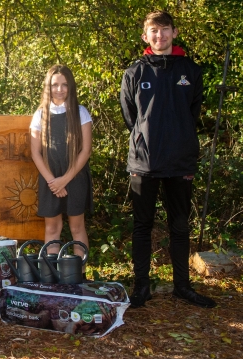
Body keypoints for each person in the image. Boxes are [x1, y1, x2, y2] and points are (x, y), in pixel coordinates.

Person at [120, 11, 216, 308]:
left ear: (174, 33)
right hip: (144, 162)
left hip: (180, 162)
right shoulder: (134, 72)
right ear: (145, 36)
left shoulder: (191, 70)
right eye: (153, 31)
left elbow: (193, 113)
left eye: (164, 30)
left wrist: (178, 137)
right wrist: (146, 137)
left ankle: (182, 287)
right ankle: (141, 287)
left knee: (180, 226)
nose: (159, 36)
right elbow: (130, 117)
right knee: (142, 226)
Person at [30, 65, 93, 262]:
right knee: (52, 227)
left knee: (76, 227)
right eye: (55, 84)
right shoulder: (41, 114)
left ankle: (79, 276)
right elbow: (35, 152)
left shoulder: (80, 112)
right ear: (48, 87)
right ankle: (51, 276)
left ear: (71, 87)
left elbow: (86, 150)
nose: (59, 89)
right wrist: (53, 182)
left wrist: (65, 180)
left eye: (64, 84)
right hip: (50, 178)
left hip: (75, 176)